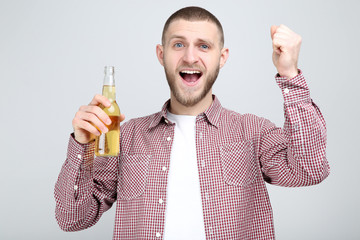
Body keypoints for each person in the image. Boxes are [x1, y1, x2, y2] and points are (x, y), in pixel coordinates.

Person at [54, 6, 330, 239]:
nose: (189, 56)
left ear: (221, 58)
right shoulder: (127, 136)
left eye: (204, 46)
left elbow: (309, 171)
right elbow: (73, 219)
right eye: (178, 44)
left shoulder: (253, 131)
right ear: (161, 55)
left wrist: (290, 76)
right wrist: (81, 145)